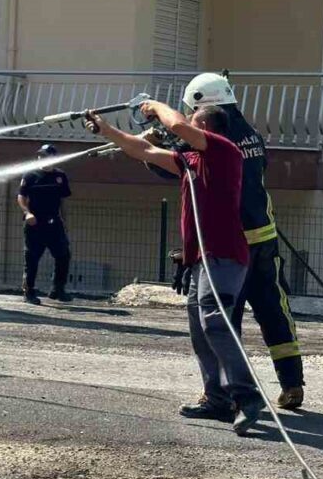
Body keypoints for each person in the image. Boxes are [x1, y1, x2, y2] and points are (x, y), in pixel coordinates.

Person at [86, 101, 263, 435]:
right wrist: (107, 130)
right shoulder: (191, 161)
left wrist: (156, 106)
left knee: (214, 320)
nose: (181, 130)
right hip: (201, 260)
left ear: (207, 127)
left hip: (223, 256)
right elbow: (144, 151)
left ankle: (247, 396)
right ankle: (217, 399)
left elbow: (179, 127)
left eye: (194, 122)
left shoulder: (225, 151)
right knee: (200, 328)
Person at [180, 73, 305, 410]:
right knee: (274, 310)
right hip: (264, 237)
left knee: (222, 318)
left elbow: (180, 165)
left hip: (231, 246)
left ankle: (228, 395)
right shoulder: (250, 134)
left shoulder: (214, 137)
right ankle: (292, 383)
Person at [17, 143, 73, 304]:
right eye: (40, 155)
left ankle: (58, 290)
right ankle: (29, 292)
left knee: (63, 255)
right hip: (34, 223)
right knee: (32, 258)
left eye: (45, 155)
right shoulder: (30, 175)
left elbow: (63, 200)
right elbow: (20, 197)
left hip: (54, 222)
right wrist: (27, 213)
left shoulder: (60, 176)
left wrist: (64, 221)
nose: (41, 158)